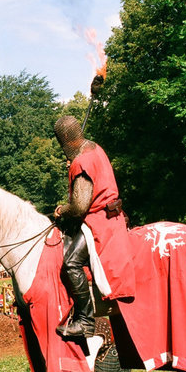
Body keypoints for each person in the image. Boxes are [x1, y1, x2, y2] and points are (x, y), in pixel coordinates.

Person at [52, 115, 135, 338]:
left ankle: (85, 321)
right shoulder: (95, 148)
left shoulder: (81, 162)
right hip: (112, 216)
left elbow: (79, 207)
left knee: (70, 262)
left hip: (98, 222)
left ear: (64, 141)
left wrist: (61, 209)